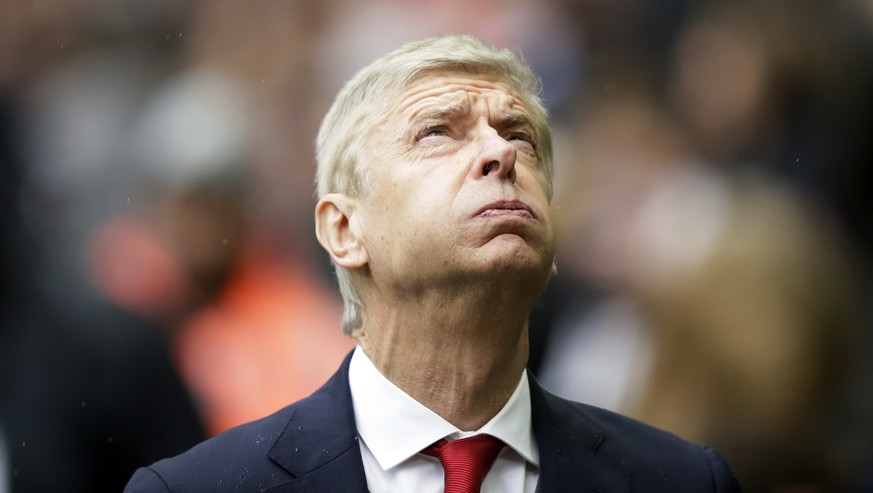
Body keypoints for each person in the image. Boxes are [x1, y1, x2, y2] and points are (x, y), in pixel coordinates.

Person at [124, 34, 741, 492]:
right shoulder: (197, 490)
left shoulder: (683, 482)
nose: (500, 152)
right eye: (439, 132)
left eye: (518, 135)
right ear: (344, 230)